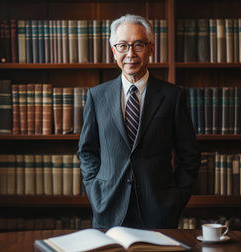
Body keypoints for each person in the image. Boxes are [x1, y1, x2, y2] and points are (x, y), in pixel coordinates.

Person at [77, 14, 200, 229]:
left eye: (138, 45)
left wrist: (176, 198)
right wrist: (95, 191)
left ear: (151, 48)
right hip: (108, 207)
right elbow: (86, 151)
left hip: (159, 210)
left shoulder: (172, 96)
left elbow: (189, 155)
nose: (130, 54)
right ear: (113, 50)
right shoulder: (97, 96)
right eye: (123, 46)